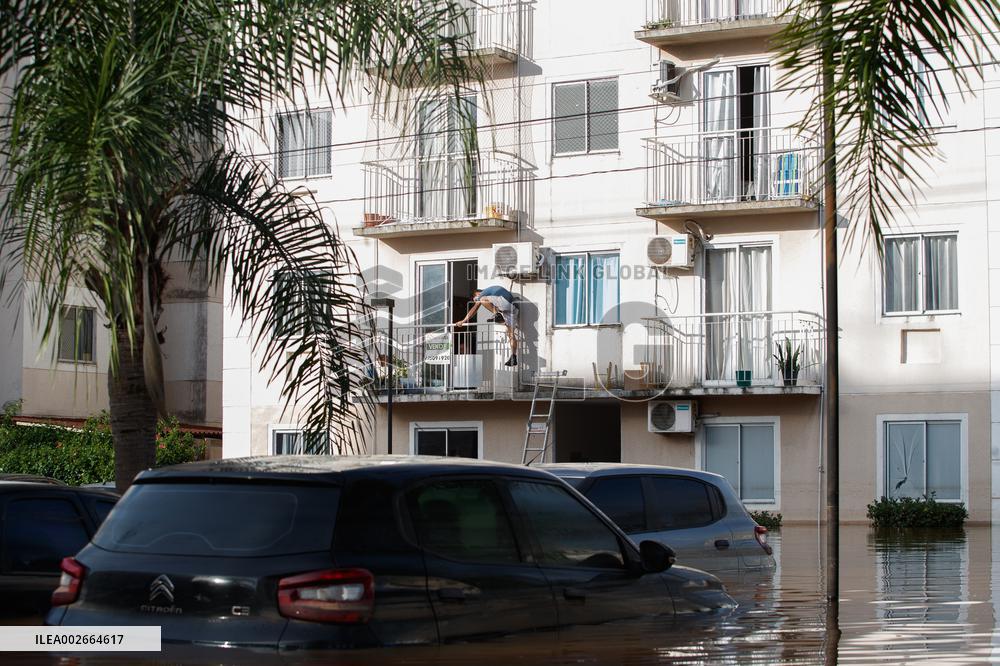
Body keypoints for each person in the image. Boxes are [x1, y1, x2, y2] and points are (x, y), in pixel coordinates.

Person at [454, 285, 518, 367]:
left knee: (482, 300)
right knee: (510, 334)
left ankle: (497, 315)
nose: (476, 301)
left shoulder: (482, 294)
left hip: (505, 303)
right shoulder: (491, 293)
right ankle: (514, 356)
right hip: (512, 308)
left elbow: (474, 309)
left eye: (474, 299)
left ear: (476, 294)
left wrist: (463, 321)